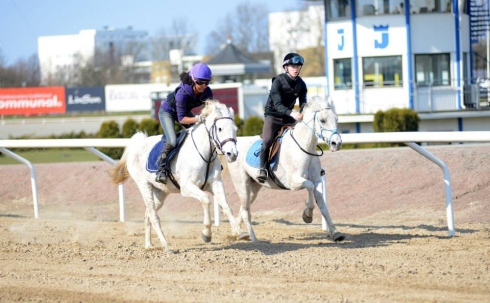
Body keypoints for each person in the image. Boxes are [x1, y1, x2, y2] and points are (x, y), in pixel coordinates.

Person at [155, 62, 213, 184]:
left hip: (184, 113)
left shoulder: (207, 92)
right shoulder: (182, 94)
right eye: (200, 82)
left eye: (206, 82)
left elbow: (211, 109)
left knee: (202, 134)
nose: (203, 86)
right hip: (168, 113)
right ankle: (161, 169)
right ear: (192, 79)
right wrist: (198, 118)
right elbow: (182, 119)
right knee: (172, 141)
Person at [257, 52, 308, 183]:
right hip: (273, 116)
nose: (296, 69)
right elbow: (278, 105)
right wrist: (293, 114)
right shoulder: (277, 81)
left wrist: (304, 112)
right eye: (293, 66)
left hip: (288, 117)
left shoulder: (301, 84)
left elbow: (303, 104)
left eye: (298, 66)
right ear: (286, 68)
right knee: (268, 140)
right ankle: (262, 168)